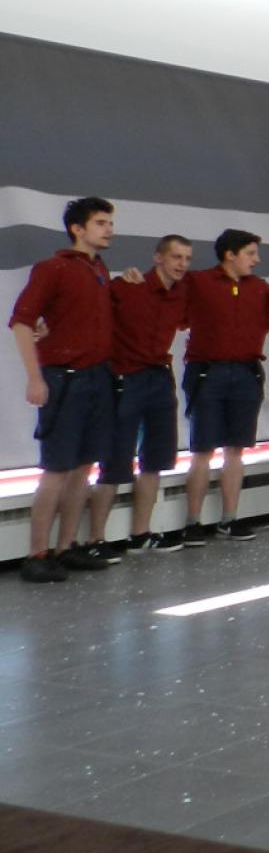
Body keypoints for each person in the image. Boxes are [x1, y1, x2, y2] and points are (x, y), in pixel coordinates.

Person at [9, 196, 117, 582]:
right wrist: (35, 377)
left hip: (97, 377)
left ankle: (65, 546)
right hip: (65, 379)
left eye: (110, 223)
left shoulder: (99, 269)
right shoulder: (53, 268)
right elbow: (21, 322)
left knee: (83, 467)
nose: (109, 229)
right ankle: (37, 553)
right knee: (56, 468)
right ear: (77, 228)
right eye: (101, 222)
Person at [180, 229, 269, 544]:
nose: (256, 260)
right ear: (230, 255)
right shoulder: (198, 282)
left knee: (236, 449)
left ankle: (229, 518)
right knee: (202, 449)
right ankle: (192, 522)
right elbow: (170, 306)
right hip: (208, 373)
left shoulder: (260, 288)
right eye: (250, 253)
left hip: (246, 373)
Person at [99, 233, 192, 555]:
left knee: (154, 459)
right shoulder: (128, 287)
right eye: (176, 257)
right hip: (125, 377)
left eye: (187, 258)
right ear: (158, 258)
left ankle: (140, 533)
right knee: (114, 460)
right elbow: (92, 313)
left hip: (159, 377)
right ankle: (95, 539)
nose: (182, 264)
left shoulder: (183, 292)